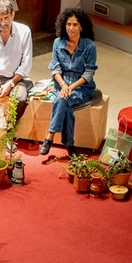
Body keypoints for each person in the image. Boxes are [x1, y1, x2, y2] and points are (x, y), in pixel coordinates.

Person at [39, 8, 98, 156]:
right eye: (68, 24)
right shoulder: (57, 43)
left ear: (81, 27)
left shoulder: (89, 46)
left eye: (75, 25)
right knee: (66, 105)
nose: (71, 28)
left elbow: (89, 73)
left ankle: (49, 136)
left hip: (82, 87)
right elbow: (55, 68)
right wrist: (64, 85)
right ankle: (70, 145)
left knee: (62, 99)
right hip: (61, 84)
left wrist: (70, 87)